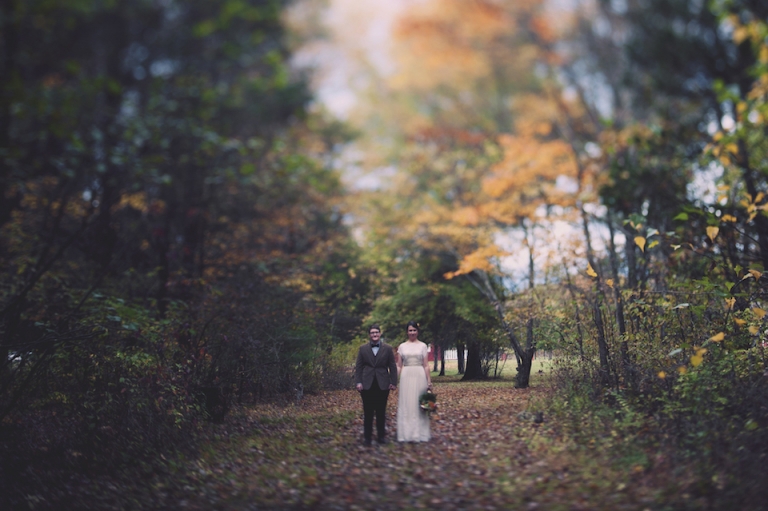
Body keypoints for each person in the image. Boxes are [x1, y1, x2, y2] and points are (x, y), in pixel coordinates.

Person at [355, 324, 398, 446]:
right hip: (367, 385)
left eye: (376, 333)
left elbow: (392, 367)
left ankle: (381, 437)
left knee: (381, 412)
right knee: (368, 412)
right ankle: (367, 438)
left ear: (380, 334)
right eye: (372, 333)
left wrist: (393, 382)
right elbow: (358, 367)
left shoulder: (388, 349)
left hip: (383, 385)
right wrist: (358, 382)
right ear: (369, 335)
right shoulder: (363, 349)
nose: (374, 335)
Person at [396, 321, 432, 442]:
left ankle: (420, 434)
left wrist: (429, 381)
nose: (412, 332)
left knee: (419, 404)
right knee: (407, 404)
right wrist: (394, 379)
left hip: (419, 375)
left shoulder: (422, 346)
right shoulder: (402, 346)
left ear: (417, 331)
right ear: (407, 332)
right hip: (406, 376)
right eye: (410, 330)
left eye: (414, 330)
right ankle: (406, 434)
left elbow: (426, 365)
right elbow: (399, 366)